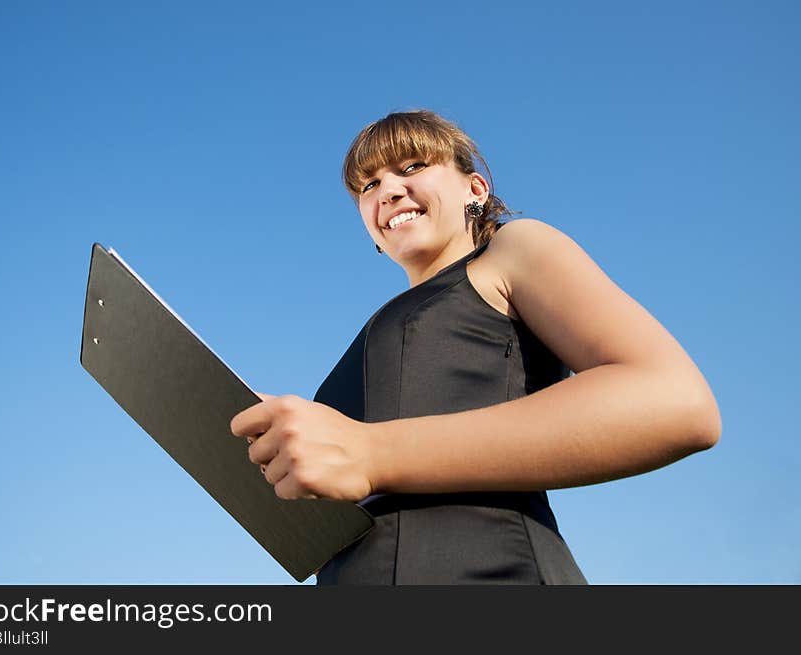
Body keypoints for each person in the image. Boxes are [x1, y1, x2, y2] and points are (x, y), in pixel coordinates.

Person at [230, 109, 722, 584]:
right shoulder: (370, 340)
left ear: (475, 188)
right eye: (368, 185)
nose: (387, 191)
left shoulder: (512, 249)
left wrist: (370, 452)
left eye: (413, 167)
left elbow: (675, 401)